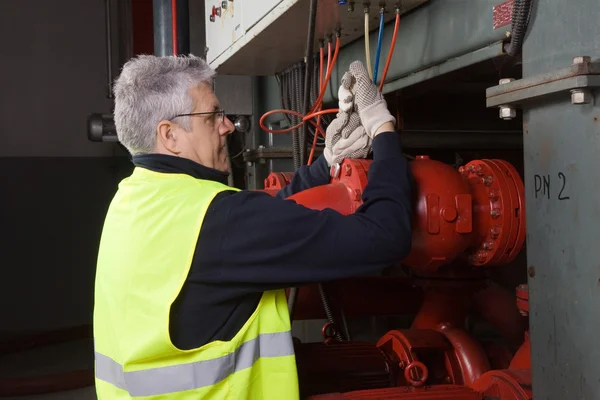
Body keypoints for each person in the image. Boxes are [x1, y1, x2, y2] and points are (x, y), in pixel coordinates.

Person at [93, 54, 413, 399]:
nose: (228, 125)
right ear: (170, 135)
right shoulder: (219, 220)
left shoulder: (132, 201)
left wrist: (326, 164)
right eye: (213, 115)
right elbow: (385, 236)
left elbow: (256, 221)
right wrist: (382, 130)